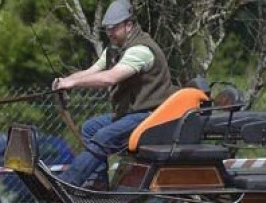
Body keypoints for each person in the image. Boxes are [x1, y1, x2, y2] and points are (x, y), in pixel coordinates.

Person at [52, 0, 178, 190]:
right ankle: (98, 186)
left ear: (129, 25)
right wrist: (65, 81)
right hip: (133, 114)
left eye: (114, 28)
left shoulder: (141, 50)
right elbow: (92, 71)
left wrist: (73, 83)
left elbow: (110, 78)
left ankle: (68, 184)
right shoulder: (114, 49)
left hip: (152, 116)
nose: (110, 33)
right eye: (107, 29)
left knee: (104, 135)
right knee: (90, 128)